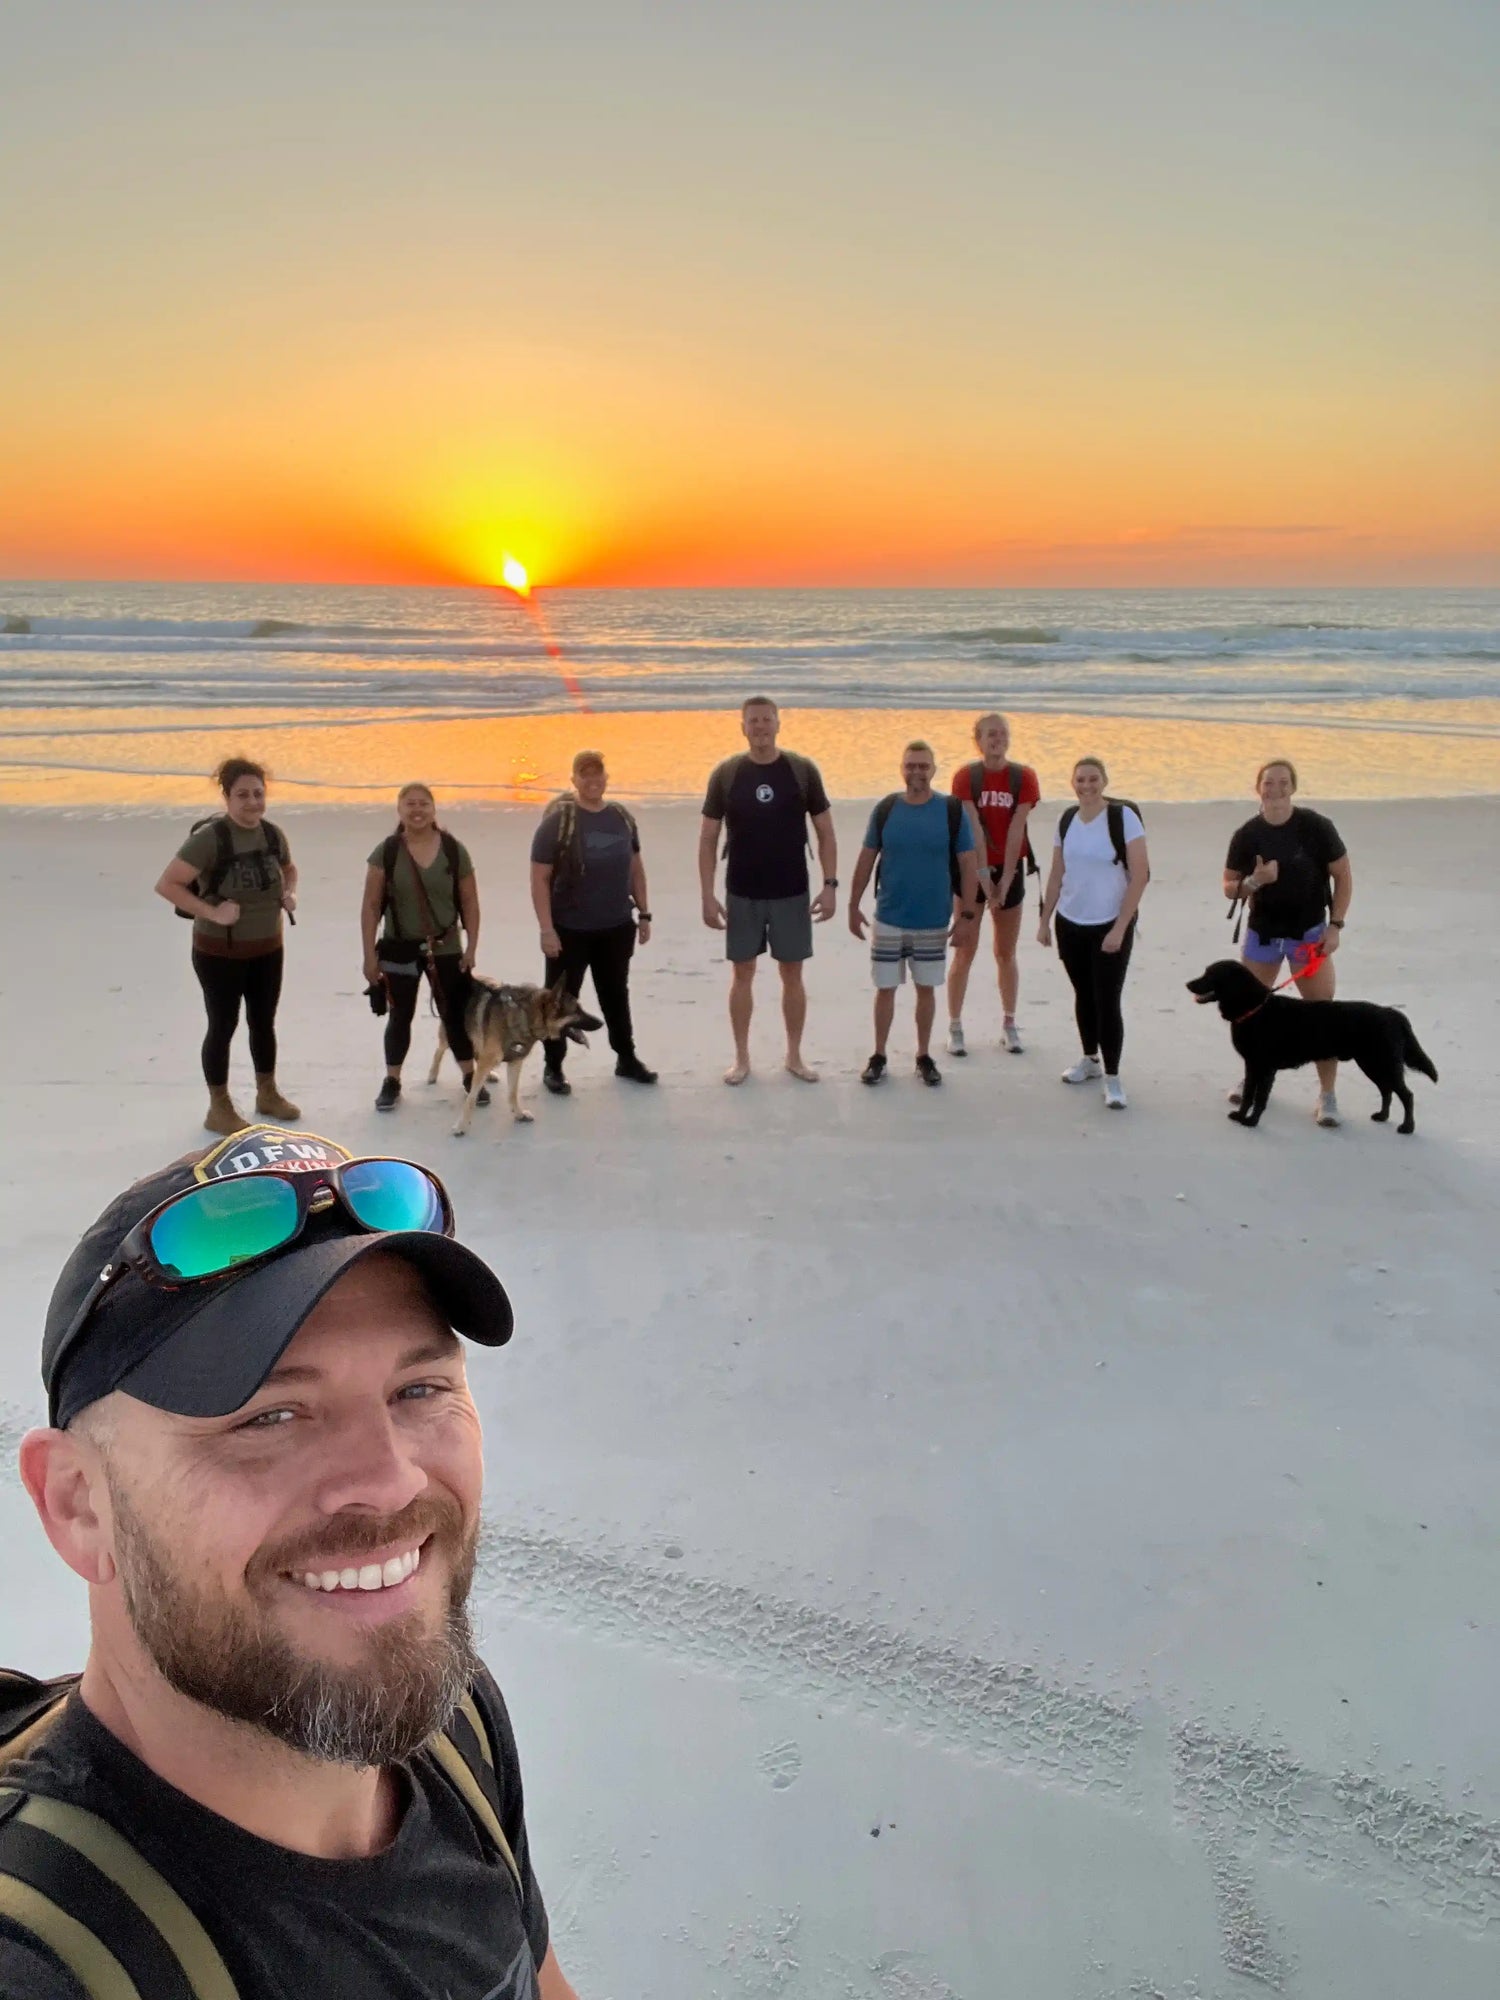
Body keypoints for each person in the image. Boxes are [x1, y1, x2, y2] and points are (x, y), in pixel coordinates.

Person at [1, 1122, 581, 2000]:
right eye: (270, 1418)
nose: (388, 1483)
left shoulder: (452, 1725)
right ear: (81, 1505)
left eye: (418, 1391)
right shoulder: (47, 1959)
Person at [154, 757, 300, 1137]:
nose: (252, 802)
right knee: (223, 1024)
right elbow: (168, 884)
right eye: (242, 795)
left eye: (258, 793)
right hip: (218, 952)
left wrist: (288, 892)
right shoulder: (211, 838)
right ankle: (218, 1108)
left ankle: (267, 1093)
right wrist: (212, 912)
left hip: (268, 947)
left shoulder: (271, 834)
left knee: (263, 1021)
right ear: (227, 797)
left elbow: (289, 868)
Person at [699, 697, 838, 1085]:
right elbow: (708, 837)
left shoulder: (801, 770)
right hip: (742, 891)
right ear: (742, 727)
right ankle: (741, 1059)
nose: (760, 727)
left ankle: (794, 1056)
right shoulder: (726, 774)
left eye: (766, 720)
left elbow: (825, 831)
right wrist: (707, 895)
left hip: (791, 890)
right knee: (742, 973)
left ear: (779, 724)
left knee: (792, 973)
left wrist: (829, 886)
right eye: (753, 721)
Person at [1223, 759, 1353, 1127]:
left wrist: (1336, 926)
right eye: (1268, 782)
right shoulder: (1248, 833)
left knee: (1322, 1015)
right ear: (1257, 788)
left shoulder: (1316, 827)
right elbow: (1228, 885)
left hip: (1308, 934)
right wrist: (1254, 882)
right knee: (1252, 1014)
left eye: (1282, 782)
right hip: (1263, 934)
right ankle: (1253, 1078)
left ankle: (1327, 1095)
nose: (1275, 788)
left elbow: (1343, 876)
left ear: (1293, 787)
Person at [849, 741, 978, 1086]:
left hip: (933, 921)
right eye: (911, 766)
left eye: (923, 766)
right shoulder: (886, 809)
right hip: (889, 917)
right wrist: (852, 904)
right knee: (885, 989)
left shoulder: (951, 810)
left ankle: (923, 1055)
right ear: (901, 769)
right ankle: (879, 1055)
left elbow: (968, 864)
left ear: (934, 769)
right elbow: (866, 857)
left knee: (926, 989)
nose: (917, 772)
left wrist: (966, 916)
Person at [529, 751, 656, 1092]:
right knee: (558, 1001)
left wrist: (643, 914)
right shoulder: (558, 821)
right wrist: (546, 928)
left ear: (606, 778)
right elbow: (539, 877)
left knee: (615, 995)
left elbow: (635, 869)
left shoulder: (621, 817)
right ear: (574, 780)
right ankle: (553, 1067)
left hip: (616, 926)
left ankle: (626, 1059)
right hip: (569, 930)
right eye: (584, 775)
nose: (592, 781)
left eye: (597, 774)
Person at [360, 783, 487, 1114]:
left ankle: (470, 1076)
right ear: (399, 810)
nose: (417, 810)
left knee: (454, 1015)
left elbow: (471, 902)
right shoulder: (386, 852)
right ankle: (392, 1081)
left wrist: (471, 946)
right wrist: (369, 956)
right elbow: (371, 906)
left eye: (423, 804)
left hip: (446, 948)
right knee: (400, 1015)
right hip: (399, 948)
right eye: (410, 804)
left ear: (434, 809)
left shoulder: (453, 850)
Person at [1037, 756, 1148, 1110]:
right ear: (1073, 783)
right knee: (1083, 995)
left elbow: (1140, 875)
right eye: (1081, 780)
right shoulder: (1067, 819)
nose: (1087, 785)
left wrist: (1120, 927)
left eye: (1093, 779)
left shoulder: (1122, 818)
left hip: (1109, 924)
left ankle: (1113, 1078)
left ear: (1104, 781)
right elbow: (1057, 873)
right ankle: (1089, 1060)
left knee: (1107, 999)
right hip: (1071, 922)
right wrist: (1044, 920)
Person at [945, 712, 1041, 1056]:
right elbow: (971, 827)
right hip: (972, 867)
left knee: (1005, 952)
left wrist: (1008, 878)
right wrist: (984, 878)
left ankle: (1009, 1023)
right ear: (978, 740)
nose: (997, 739)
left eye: (1002, 733)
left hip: (1010, 867)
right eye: (990, 734)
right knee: (965, 950)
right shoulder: (966, 777)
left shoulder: (1023, 777)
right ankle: (955, 1026)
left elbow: (1017, 829)